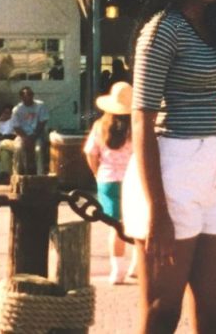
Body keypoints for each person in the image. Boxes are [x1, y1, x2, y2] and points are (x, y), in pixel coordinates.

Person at [122, 0, 216, 333]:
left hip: (213, 167)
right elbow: (142, 117)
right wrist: (157, 211)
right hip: (171, 169)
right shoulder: (162, 30)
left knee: (215, 316)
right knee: (162, 310)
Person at [84, 81, 136, 284]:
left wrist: (98, 173)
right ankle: (135, 266)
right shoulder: (135, 127)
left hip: (107, 179)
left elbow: (90, 153)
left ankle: (117, 271)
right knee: (136, 224)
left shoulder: (100, 126)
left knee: (116, 226)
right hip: (132, 181)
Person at [10, 86, 49, 176]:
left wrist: (34, 136)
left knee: (38, 150)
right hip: (22, 136)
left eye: (31, 94)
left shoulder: (40, 106)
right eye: (26, 95)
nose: (29, 97)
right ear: (21, 97)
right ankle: (16, 175)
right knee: (18, 149)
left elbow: (42, 122)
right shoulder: (17, 109)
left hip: (37, 135)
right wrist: (26, 138)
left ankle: (40, 175)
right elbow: (16, 127)